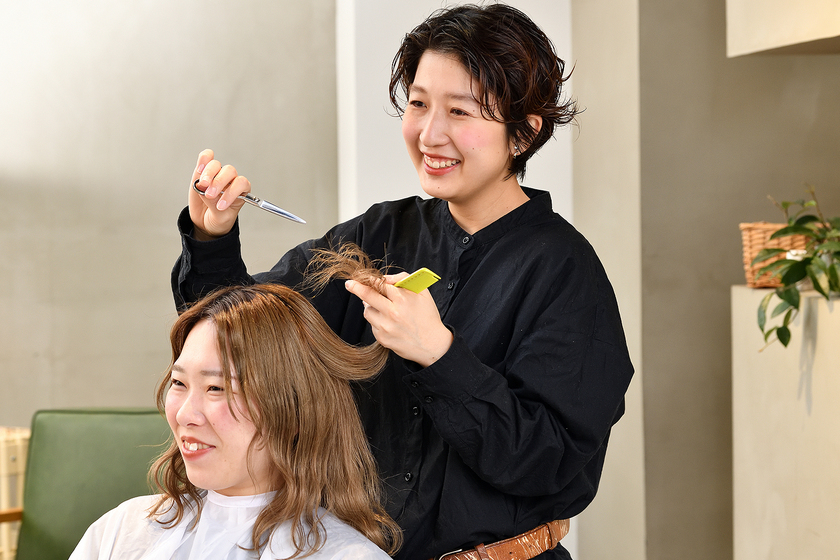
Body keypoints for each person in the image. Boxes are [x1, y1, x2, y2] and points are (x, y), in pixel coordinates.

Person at [172, 4, 634, 560]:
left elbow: (549, 463)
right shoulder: (378, 234)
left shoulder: (565, 272)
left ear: (523, 134)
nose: (430, 134)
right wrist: (212, 235)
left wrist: (439, 355)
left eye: (459, 111)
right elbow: (242, 339)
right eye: (418, 104)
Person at [70, 283, 402, 559]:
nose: (184, 414)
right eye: (179, 383)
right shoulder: (120, 531)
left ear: (295, 411)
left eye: (216, 388)